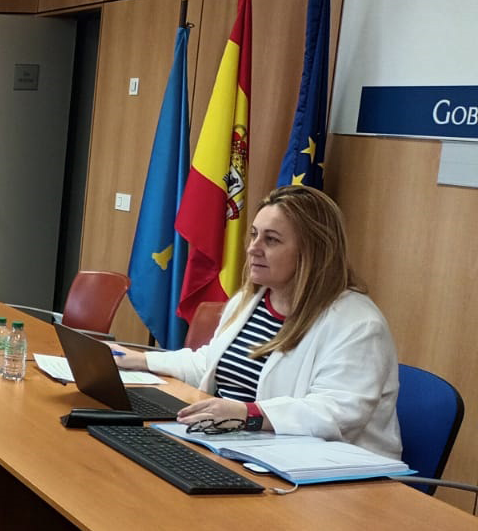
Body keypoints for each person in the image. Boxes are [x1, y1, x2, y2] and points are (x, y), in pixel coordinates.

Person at [115, 184, 400, 459]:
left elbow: (336, 412)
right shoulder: (250, 300)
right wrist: (140, 360)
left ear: (313, 251)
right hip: (242, 445)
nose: (253, 248)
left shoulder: (358, 325)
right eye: (253, 235)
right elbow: (209, 364)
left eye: (271, 239)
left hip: (330, 470)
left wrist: (248, 414)